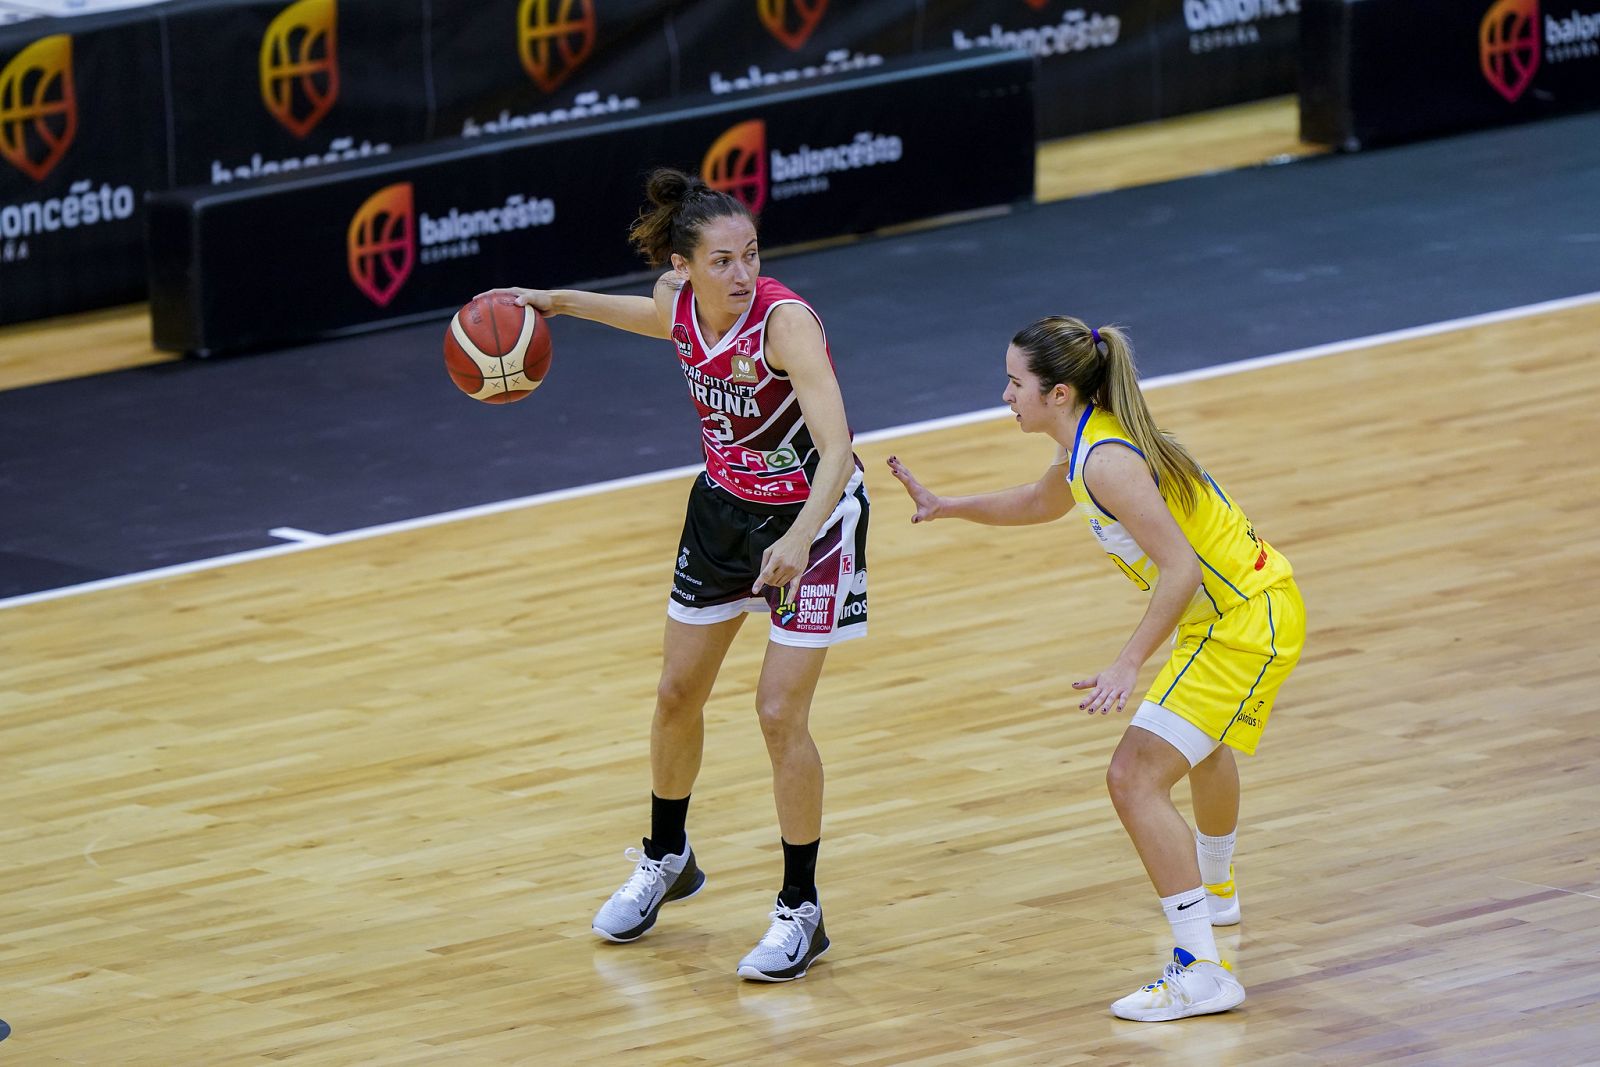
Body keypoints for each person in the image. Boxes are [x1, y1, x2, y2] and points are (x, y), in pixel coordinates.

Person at [480, 167, 868, 982]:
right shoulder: (680, 299)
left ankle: (802, 907)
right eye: (723, 260)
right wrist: (557, 300)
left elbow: (836, 449)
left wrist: (797, 538)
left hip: (813, 521)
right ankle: (668, 856)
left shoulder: (784, 324)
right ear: (686, 265)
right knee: (675, 693)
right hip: (723, 512)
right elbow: (653, 316)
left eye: (751, 255)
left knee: (776, 713)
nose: (742, 273)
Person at [887, 316, 1305, 1021]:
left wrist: (1126, 663)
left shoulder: (1108, 459)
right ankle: (1219, 895)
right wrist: (949, 505)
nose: (1004, 394)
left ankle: (1202, 972)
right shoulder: (1088, 441)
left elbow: (1179, 569)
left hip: (1241, 621)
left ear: (1058, 393)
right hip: (1248, 609)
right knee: (1204, 749)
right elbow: (1039, 501)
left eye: (1015, 382)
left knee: (1132, 777)